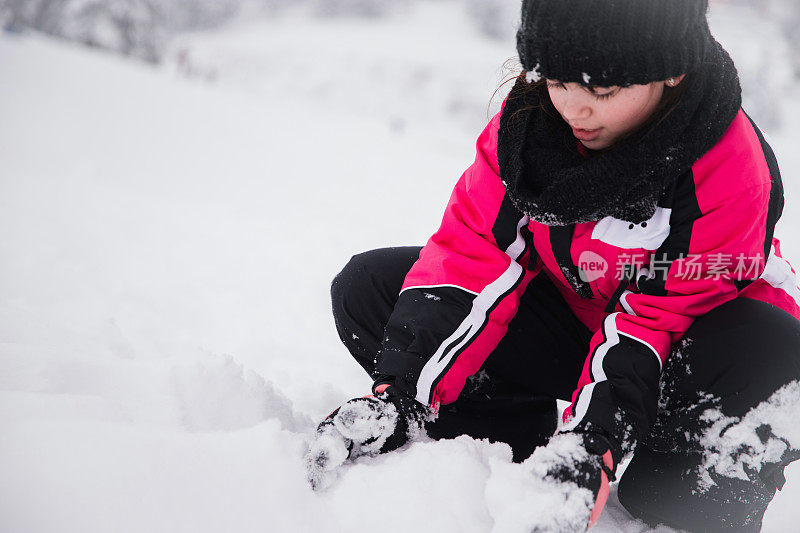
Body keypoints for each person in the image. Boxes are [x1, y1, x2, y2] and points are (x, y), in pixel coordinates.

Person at [306, 0, 800, 531]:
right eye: (557, 82)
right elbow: (471, 255)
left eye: (602, 92)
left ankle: (682, 486)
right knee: (370, 287)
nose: (573, 110)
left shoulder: (727, 167)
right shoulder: (526, 134)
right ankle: (500, 435)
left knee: (776, 356)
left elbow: (651, 321)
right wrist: (402, 393)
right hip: (579, 320)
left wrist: (591, 447)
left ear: (671, 73)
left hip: (688, 353)